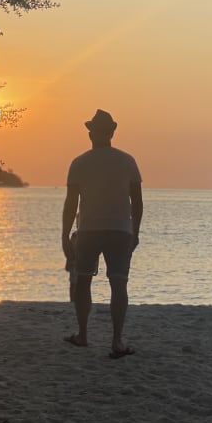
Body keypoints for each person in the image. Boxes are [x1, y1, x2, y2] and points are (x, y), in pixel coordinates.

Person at [61, 109, 143, 358]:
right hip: (120, 230)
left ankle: (84, 334)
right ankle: (116, 340)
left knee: (84, 281)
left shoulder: (79, 163)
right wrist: (135, 231)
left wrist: (65, 235)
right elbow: (137, 202)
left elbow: (70, 204)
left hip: (88, 229)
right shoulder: (127, 161)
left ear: (91, 134)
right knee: (118, 283)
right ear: (111, 132)